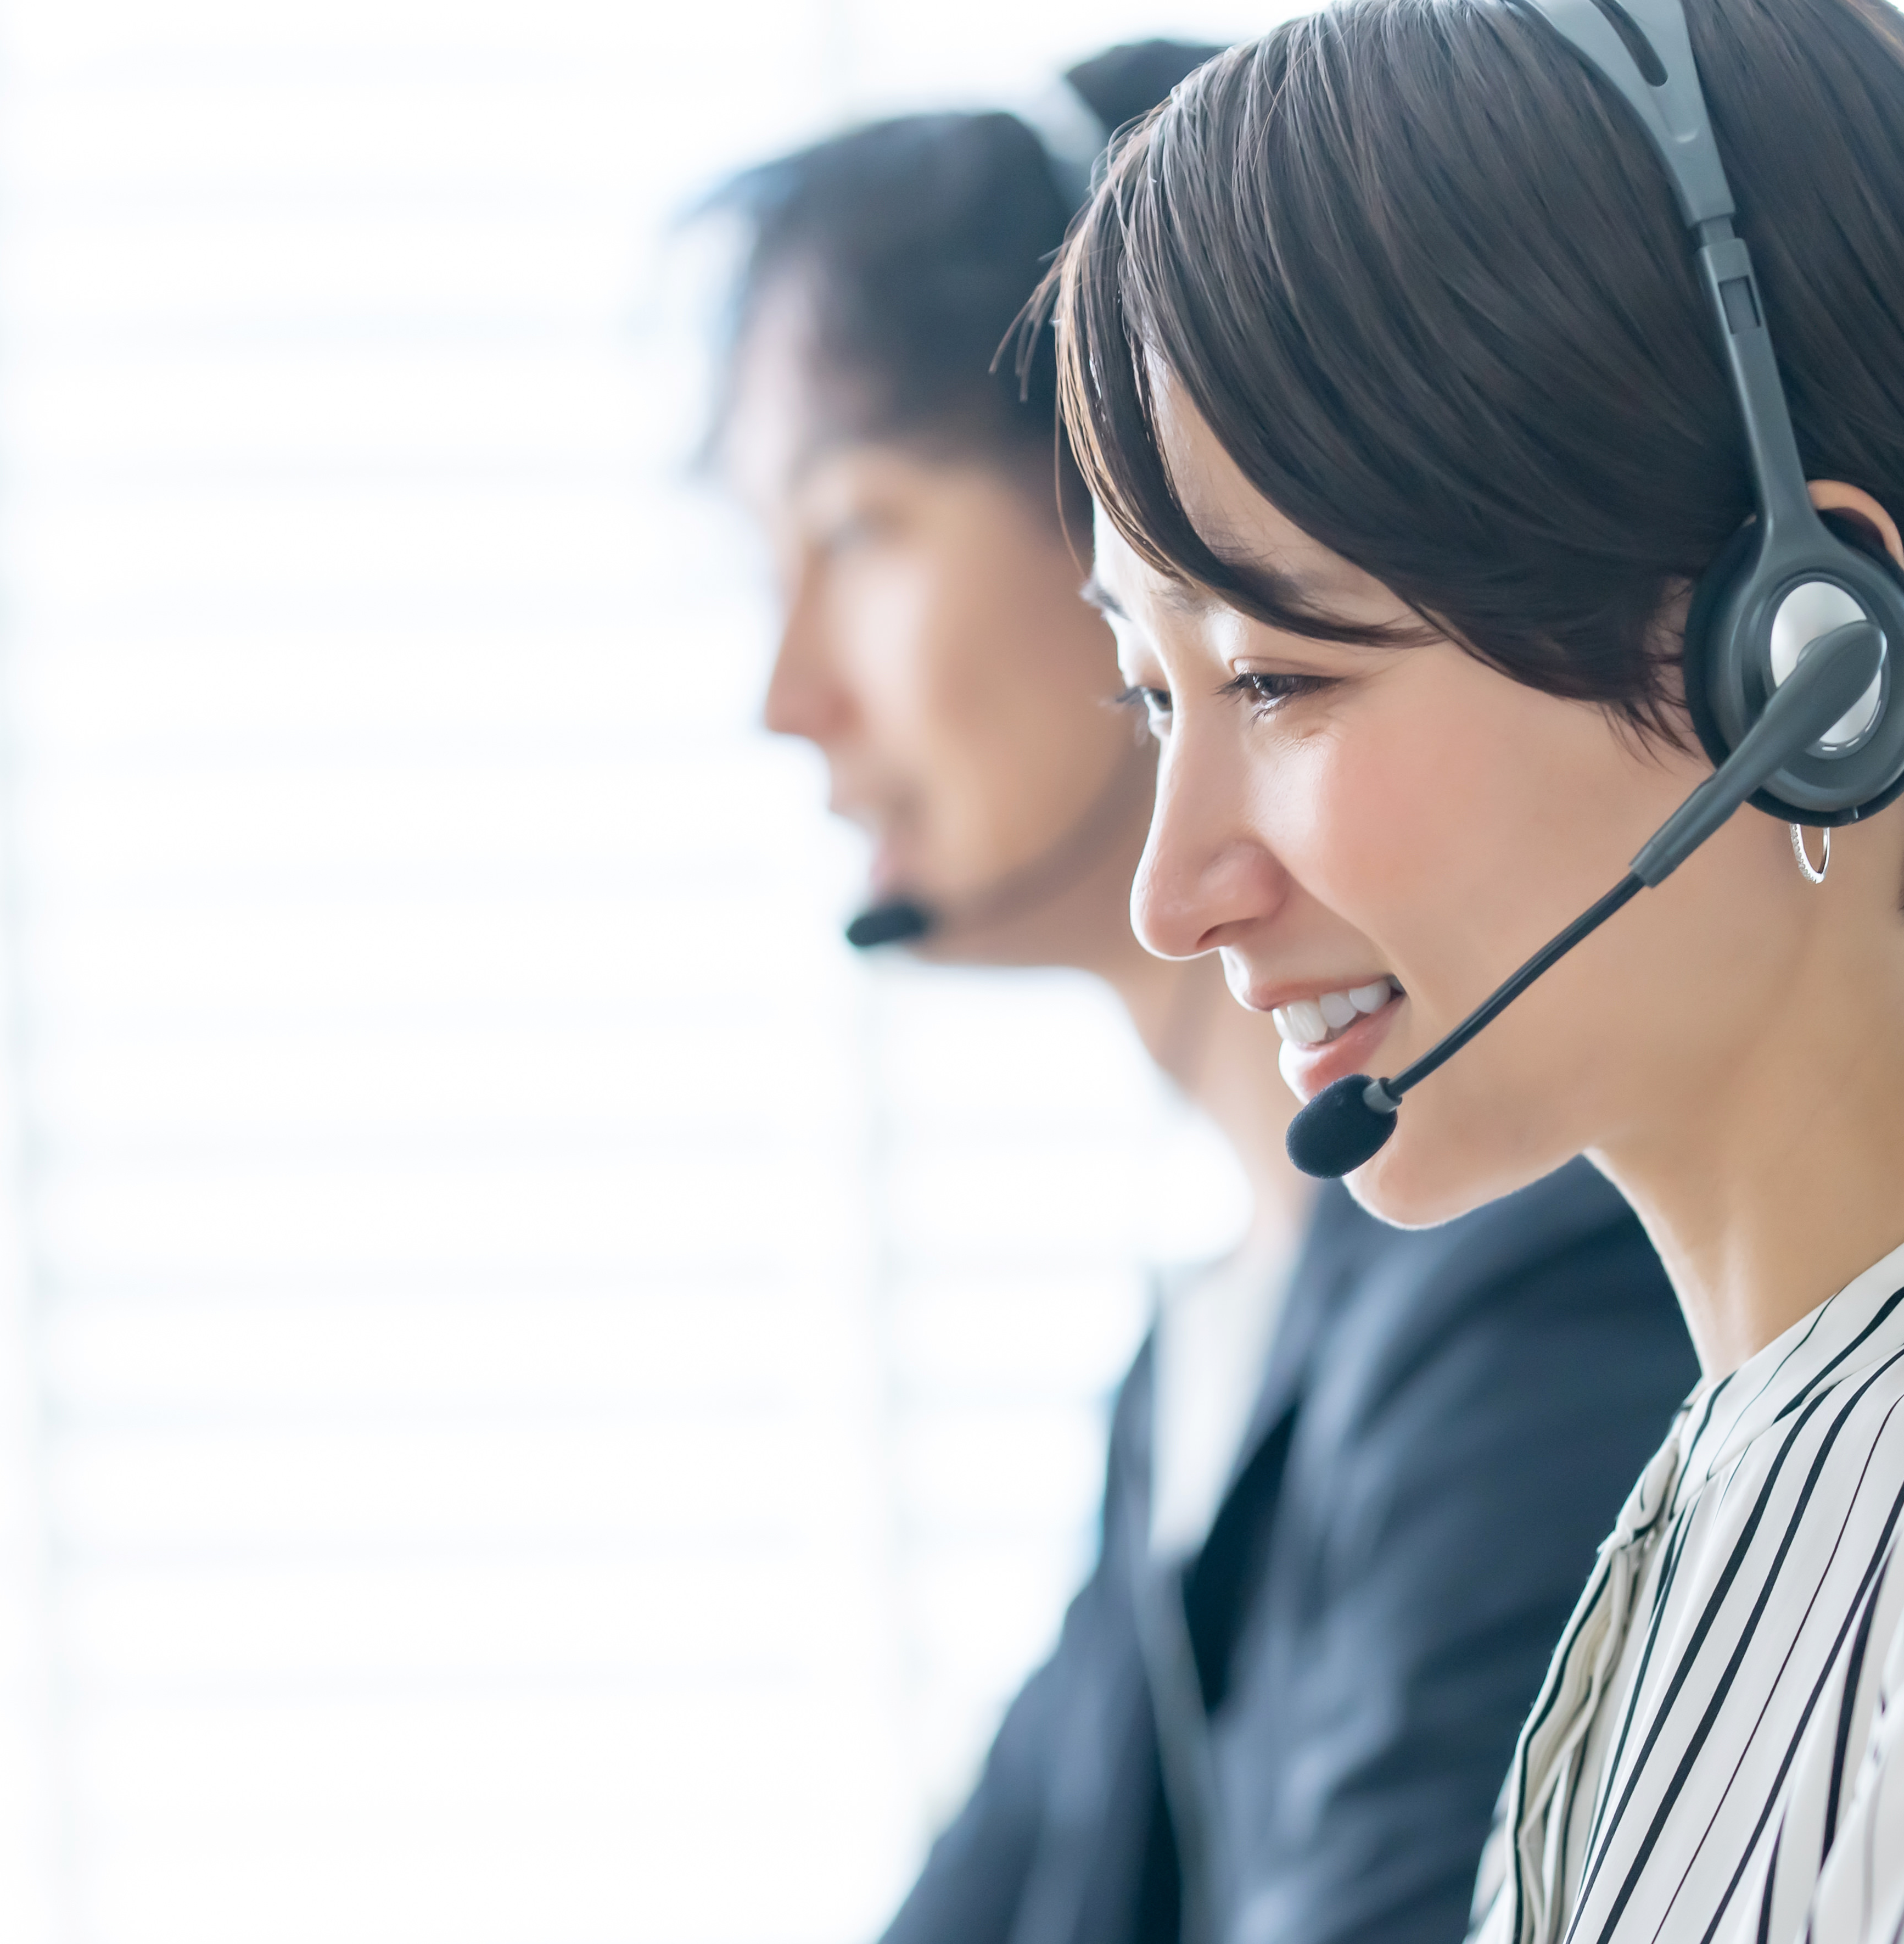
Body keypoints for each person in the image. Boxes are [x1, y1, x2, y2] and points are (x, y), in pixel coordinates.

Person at [1050, 7, 1904, 1942]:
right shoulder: (1733, 1507)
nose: (1176, 887)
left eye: (1279, 679)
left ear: (1798, 662)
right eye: (1154, 696)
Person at [702, 43, 1702, 1944]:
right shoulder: (1200, 1369)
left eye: (855, 533)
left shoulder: (1525, 1272)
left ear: (1136, 505)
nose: (787, 691)